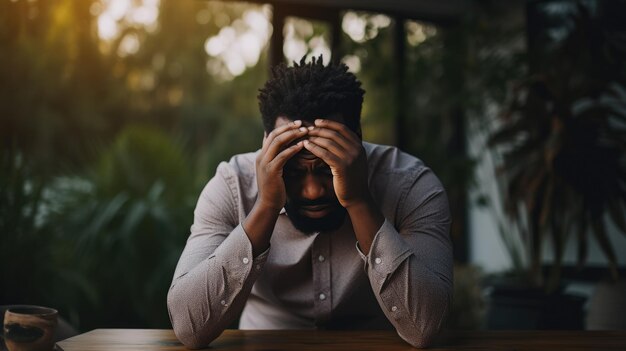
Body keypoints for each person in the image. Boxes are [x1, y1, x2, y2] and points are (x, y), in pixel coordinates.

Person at [167, 56, 453, 349]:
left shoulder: (410, 185)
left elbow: (424, 326)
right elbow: (190, 327)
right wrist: (266, 205)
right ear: (267, 142)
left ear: (356, 139)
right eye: (292, 171)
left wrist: (358, 199)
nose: (313, 191)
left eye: (327, 167)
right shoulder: (231, 186)